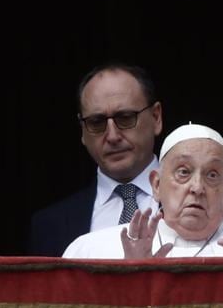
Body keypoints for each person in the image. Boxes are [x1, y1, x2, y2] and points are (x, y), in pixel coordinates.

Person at [63, 124, 223, 259]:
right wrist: (131, 279)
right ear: (156, 185)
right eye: (183, 172)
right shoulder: (92, 250)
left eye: (212, 175)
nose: (197, 187)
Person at [26, 63, 163, 256]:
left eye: (125, 117)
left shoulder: (202, 204)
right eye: (96, 122)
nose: (112, 136)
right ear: (82, 130)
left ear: (156, 118)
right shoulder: (50, 226)